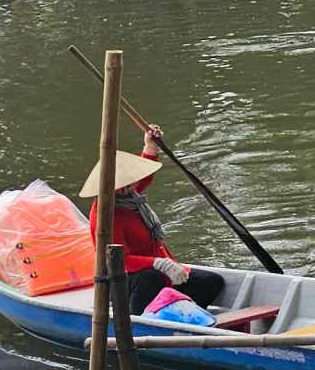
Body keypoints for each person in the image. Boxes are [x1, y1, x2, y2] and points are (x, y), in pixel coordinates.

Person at [83, 125, 227, 316]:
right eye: (120, 185)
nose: (126, 187)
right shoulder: (106, 214)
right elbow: (120, 260)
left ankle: (181, 316)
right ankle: (139, 319)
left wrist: (150, 146)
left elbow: (145, 178)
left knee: (210, 282)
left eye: (129, 183)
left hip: (157, 268)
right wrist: (158, 263)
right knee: (152, 277)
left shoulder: (130, 198)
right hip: (126, 278)